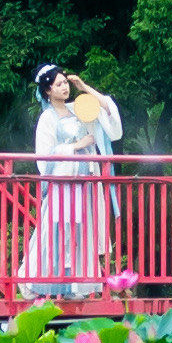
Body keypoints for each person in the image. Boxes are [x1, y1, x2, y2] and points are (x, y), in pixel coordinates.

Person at [20, 64, 124, 297]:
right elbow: (43, 157)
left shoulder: (79, 110)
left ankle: (77, 288)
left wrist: (84, 87)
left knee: (81, 233)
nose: (64, 87)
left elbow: (109, 119)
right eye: (58, 84)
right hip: (63, 186)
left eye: (65, 82)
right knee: (59, 232)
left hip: (85, 184)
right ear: (47, 91)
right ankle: (48, 285)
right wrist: (76, 146)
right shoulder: (47, 118)